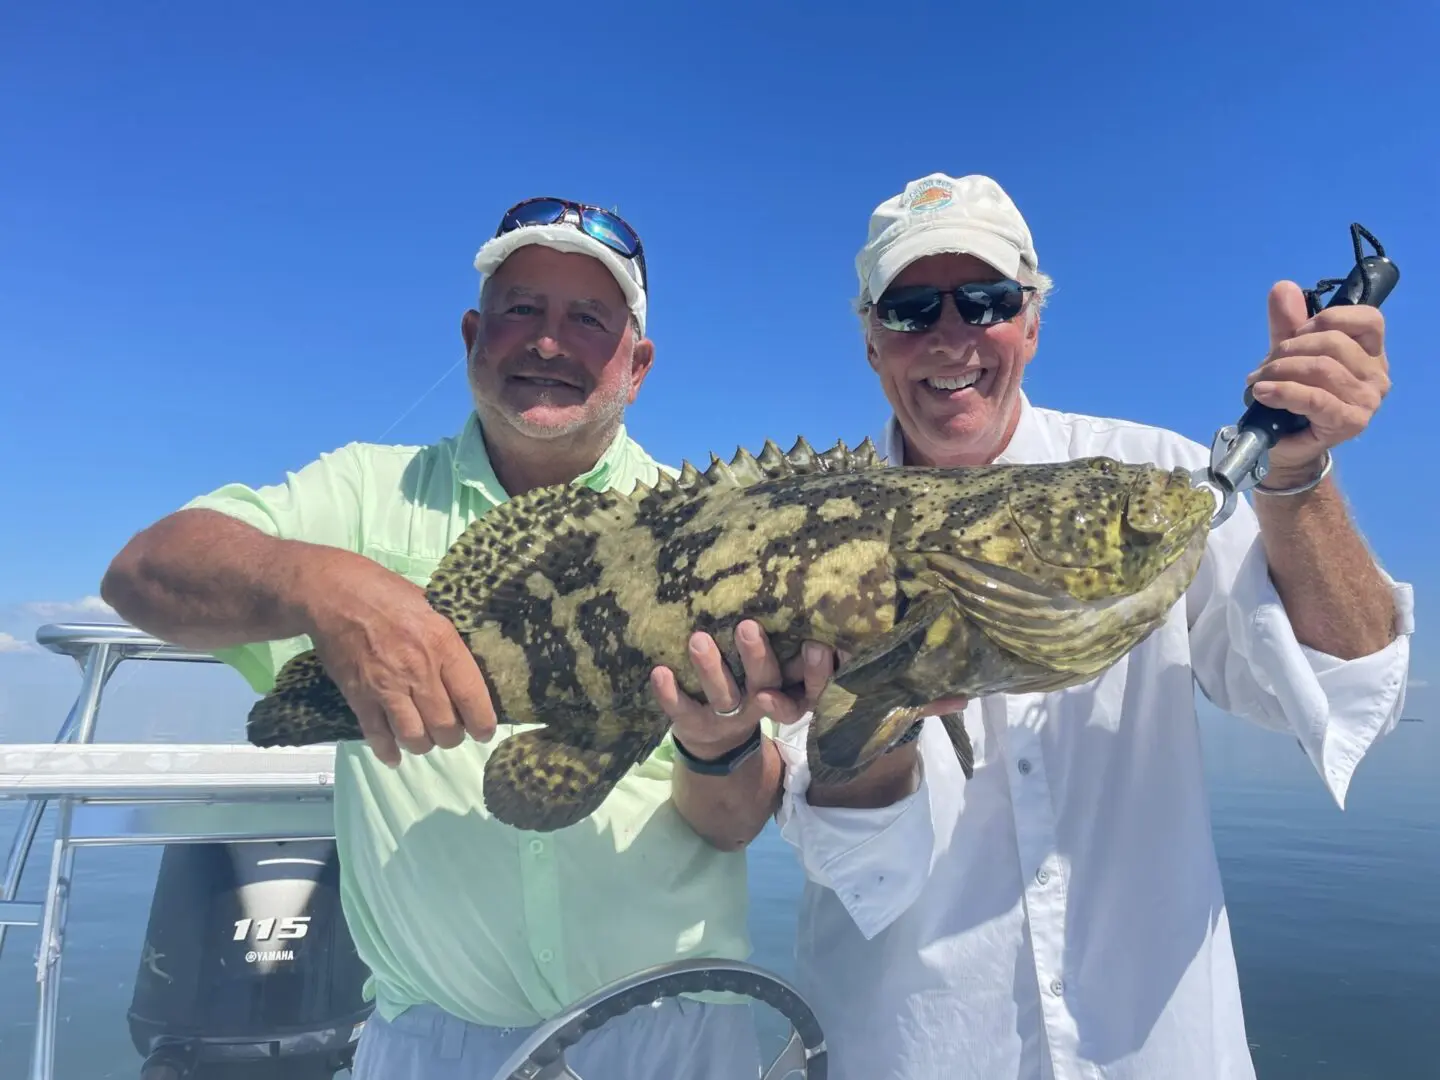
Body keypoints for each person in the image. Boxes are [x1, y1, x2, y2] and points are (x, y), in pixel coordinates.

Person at [98, 195, 816, 1080]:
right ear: (473, 332)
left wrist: (717, 748)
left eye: (588, 319)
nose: (548, 342)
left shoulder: (722, 532)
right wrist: (323, 581)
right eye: (522, 309)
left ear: (637, 364)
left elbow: (735, 823)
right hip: (434, 1044)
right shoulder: (364, 494)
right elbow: (144, 571)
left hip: (677, 1037)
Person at [768, 172, 1415, 1080]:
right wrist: (884, 699)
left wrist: (1297, 476)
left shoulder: (1152, 485)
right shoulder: (796, 542)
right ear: (872, 341)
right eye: (913, 308)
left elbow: (1342, 689)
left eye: (987, 300)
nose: (952, 335)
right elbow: (854, 868)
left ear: (1031, 322)